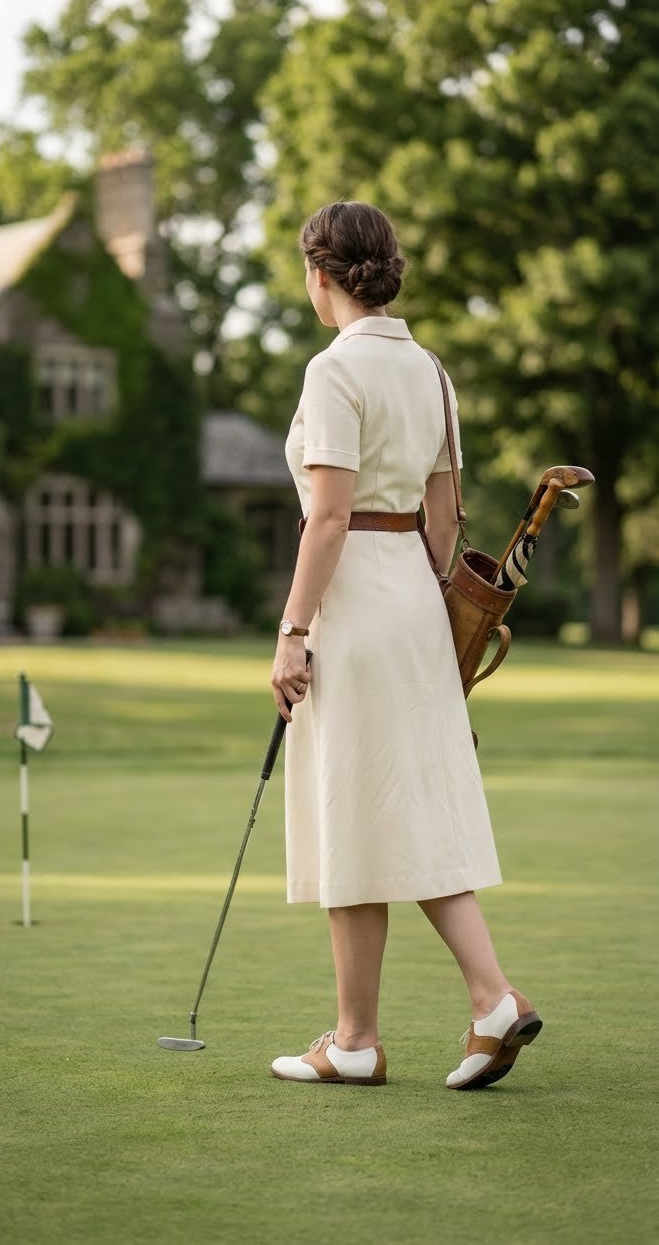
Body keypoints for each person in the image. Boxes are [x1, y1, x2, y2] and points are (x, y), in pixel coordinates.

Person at [270, 201, 542, 1089]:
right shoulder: (431, 371)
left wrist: (293, 631)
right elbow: (443, 518)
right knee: (404, 807)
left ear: (321, 274)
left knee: (356, 809)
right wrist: (431, 622)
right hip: (416, 610)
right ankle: (480, 1001)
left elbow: (330, 517)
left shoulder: (330, 371)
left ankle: (358, 1040)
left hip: (353, 610)